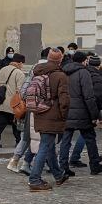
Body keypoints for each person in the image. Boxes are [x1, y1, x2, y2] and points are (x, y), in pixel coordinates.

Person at [60, 51, 102, 176]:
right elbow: (88, 96)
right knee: (90, 138)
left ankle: (63, 167)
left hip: (66, 110)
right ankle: (95, 164)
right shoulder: (84, 72)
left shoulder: (63, 72)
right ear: (84, 61)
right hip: (82, 113)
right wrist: (95, 115)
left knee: (66, 140)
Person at [28, 48, 71, 192]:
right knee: (45, 147)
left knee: (49, 145)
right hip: (53, 115)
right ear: (60, 60)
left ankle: (58, 175)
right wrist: (64, 115)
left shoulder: (38, 71)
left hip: (39, 112)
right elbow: (64, 100)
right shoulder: (60, 76)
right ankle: (34, 179)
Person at [0, 54, 26, 149]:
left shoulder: (2, 69)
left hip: (1, 101)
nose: (22, 65)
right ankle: (19, 142)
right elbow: (21, 90)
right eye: (22, 63)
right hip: (13, 103)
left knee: (0, 123)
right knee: (16, 124)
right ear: (19, 63)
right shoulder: (19, 73)